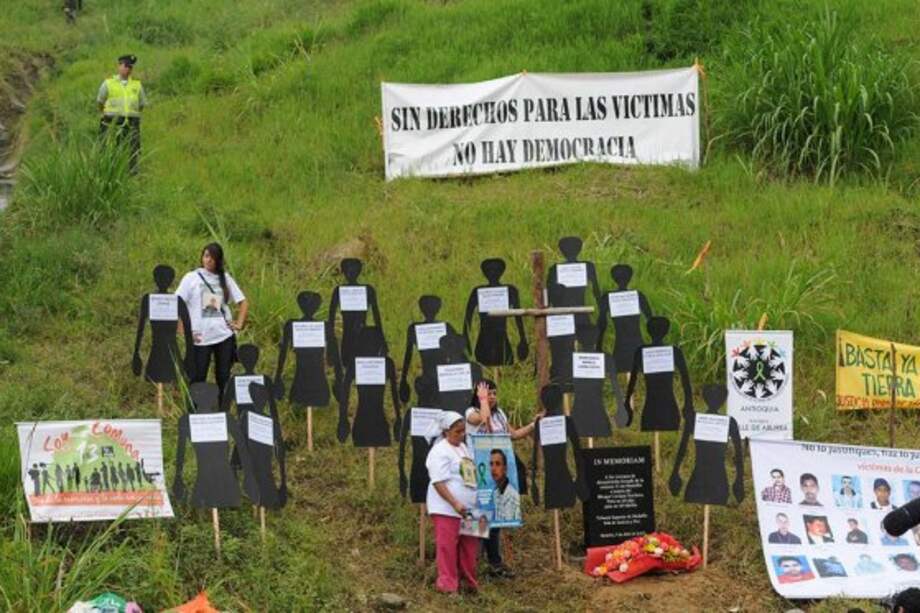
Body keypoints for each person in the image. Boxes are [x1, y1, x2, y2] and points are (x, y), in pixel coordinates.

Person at [466, 380, 542, 578]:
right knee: (479, 515)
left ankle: (494, 562)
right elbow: (483, 421)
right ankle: (472, 562)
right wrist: (482, 401)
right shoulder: (471, 413)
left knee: (496, 516)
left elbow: (513, 434)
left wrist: (534, 424)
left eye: (493, 393)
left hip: (498, 472)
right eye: (487, 393)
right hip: (480, 473)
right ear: (478, 395)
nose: (491, 397)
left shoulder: (500, 415)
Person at [176, 243, 248, 407]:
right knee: (197, 376)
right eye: (206, 255)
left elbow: (243, 302)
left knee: (223, 376)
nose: (209, 260)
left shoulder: (225, 278)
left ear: (219, 260)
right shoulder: (191, 278)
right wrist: (182, 330)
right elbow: (177, 303)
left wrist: (239, 323)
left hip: (224, 336)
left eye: (213, 257)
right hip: (200, 337)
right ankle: (193, 413)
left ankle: (223, 411)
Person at [426, 411, 479, 594]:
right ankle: (448, 586)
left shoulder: (463, 448)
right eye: (457, 431)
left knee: (470, 546)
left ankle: (470, 583)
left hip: (470, 508)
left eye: (463, 431)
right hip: (447, 509)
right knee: (447, 547)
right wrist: (455, 503)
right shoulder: (439, 450)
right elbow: (438, 482)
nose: (461, 434)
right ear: (446, 432)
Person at [97, 55, 146, 173]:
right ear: (119, 66)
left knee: (132, 149)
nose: (128, 69)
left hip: (131, 122)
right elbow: (100, 101)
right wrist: (105, 113)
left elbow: (141, 104)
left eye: (130, 67)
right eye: (126, 66)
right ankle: (108, 172)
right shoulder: (108, 83)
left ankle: (132, 173)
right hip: (112, 122)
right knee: (109, 148)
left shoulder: (137, 85)